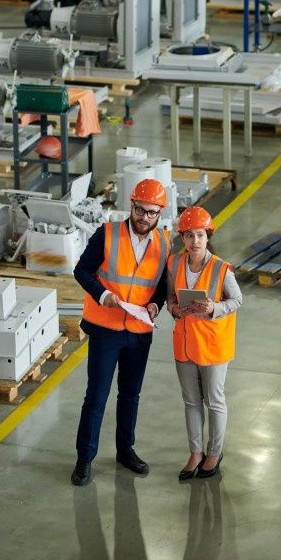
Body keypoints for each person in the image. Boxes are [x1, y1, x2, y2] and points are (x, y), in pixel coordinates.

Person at [71, 178, 170, 487]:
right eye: (140, 210)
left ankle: (125, 451)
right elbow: (81, 271)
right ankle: (84, 459)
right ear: (131, 205)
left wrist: (155, 306)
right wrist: (103, 296)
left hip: (139, 332)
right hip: (106, 330)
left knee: (130, 394)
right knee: (96, 396)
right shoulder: (108, 234)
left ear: (160, 214)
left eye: (152, 213)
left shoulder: (165, 244)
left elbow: (162, 287)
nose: (144, 218)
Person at [168, 207, 242, 481]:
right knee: (191, 401)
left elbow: (237, 301)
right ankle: (195, 452)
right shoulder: (174, 264)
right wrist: (174, 309)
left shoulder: (222, 268)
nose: (195, 241)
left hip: (212, 346)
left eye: (200, 235)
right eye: (189, 235)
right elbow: (170, 299)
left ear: (207, 236)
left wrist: (214, 308)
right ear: (183, 238)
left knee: (214, 400)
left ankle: (214, 452)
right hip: (185, 344)